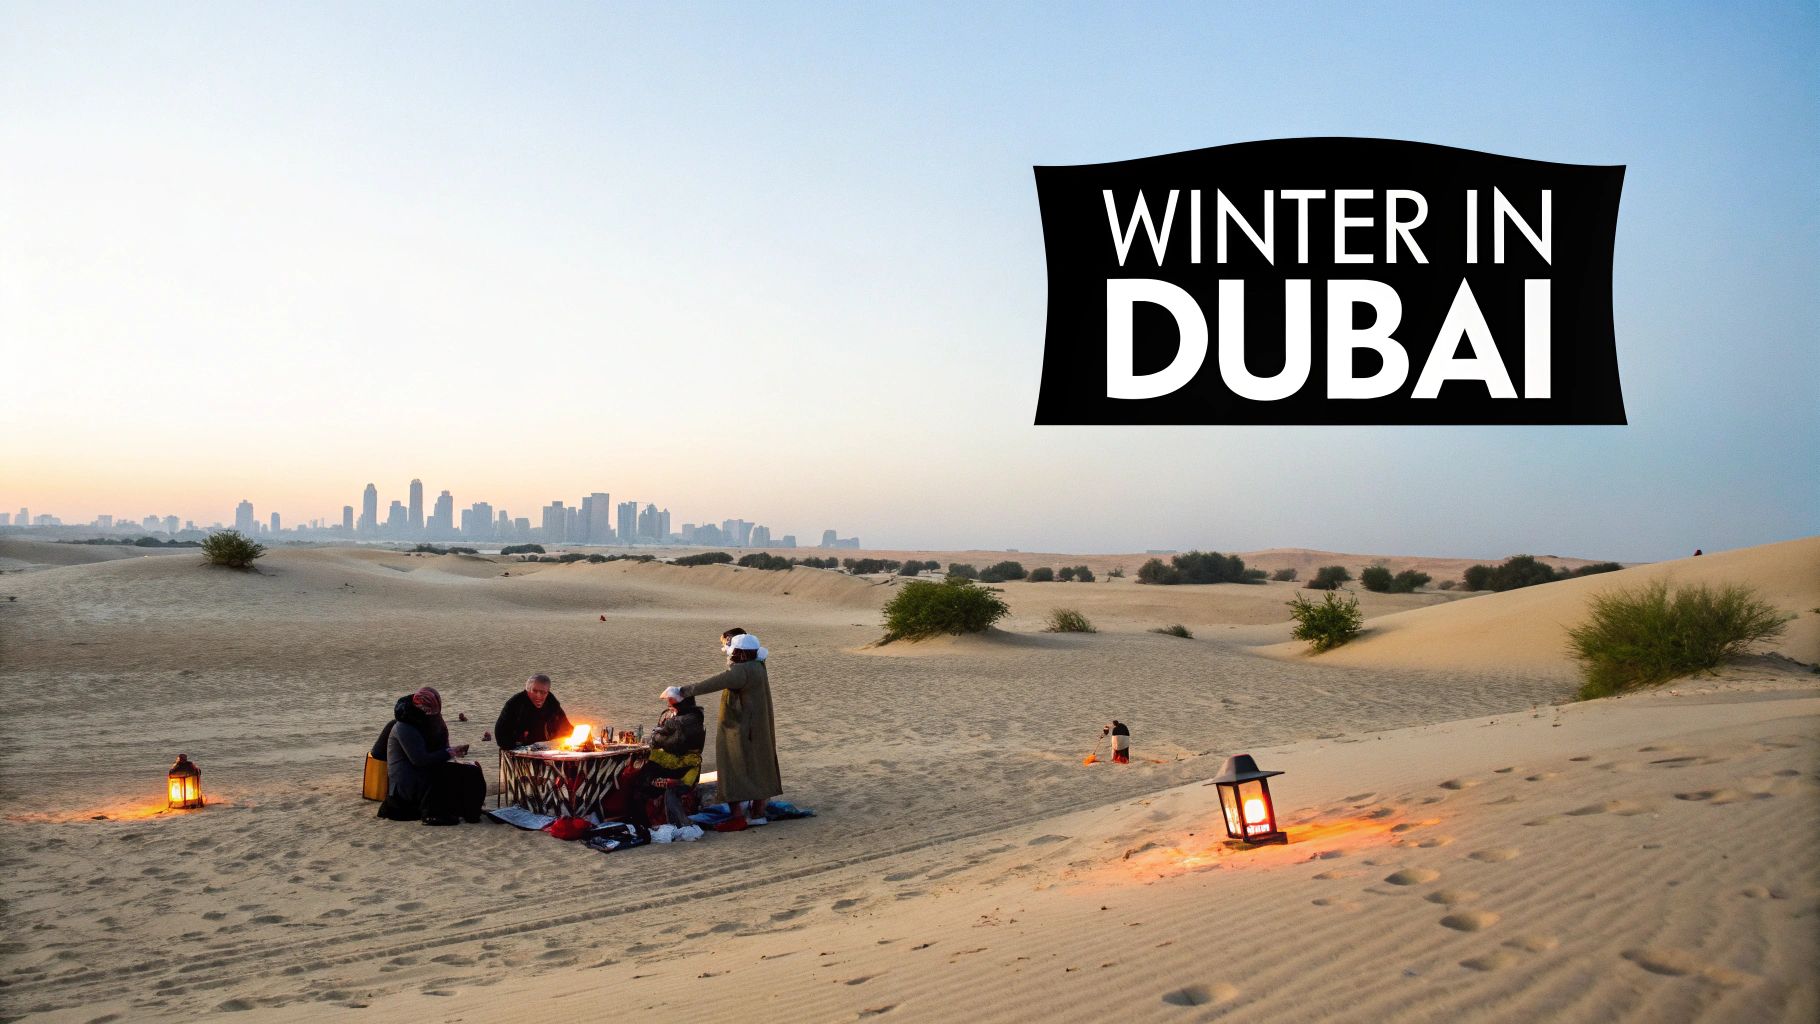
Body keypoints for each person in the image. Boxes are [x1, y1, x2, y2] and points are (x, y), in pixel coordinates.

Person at [662, 628, 781, 831]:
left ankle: (737, 817)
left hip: (740, 728)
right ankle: (758, 813)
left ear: (741, 653)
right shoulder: (758, 666)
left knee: (732, 768)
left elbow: (715, 682)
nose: (730, 654)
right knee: (759, 767)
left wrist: (682, 691)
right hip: (757, 727)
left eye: (733, 651)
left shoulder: (741, 671)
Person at [378, 687, 486, 825]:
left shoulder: (433, 720)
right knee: (442, 777)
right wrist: (449, 752)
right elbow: (419, 760)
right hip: (407, 779)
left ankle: (472, 812)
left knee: (473, 771)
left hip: (428, 768)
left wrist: (450, 751)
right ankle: (432, 814)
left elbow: (442, 747)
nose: (434, 716)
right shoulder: (404, 727)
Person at [642, 690, 707, 838]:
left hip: (685, 770)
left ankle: (682, 825)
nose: (670, 708)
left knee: (671, 791)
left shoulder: (682, 722)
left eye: (672, 706)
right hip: (681, 767)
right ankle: (669, 823)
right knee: (653, 783)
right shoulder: (692, 718)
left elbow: (670, 743)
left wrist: (657, 735)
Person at [494, 672, 573, 748]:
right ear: (527, 690)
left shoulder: (551, 700)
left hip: (544, 744)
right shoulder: (515, 703)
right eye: (534, 691)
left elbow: (566, 726)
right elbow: (501, 735)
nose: (538, 696)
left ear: (547, 692)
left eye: (543, 692)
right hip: (516, 745)